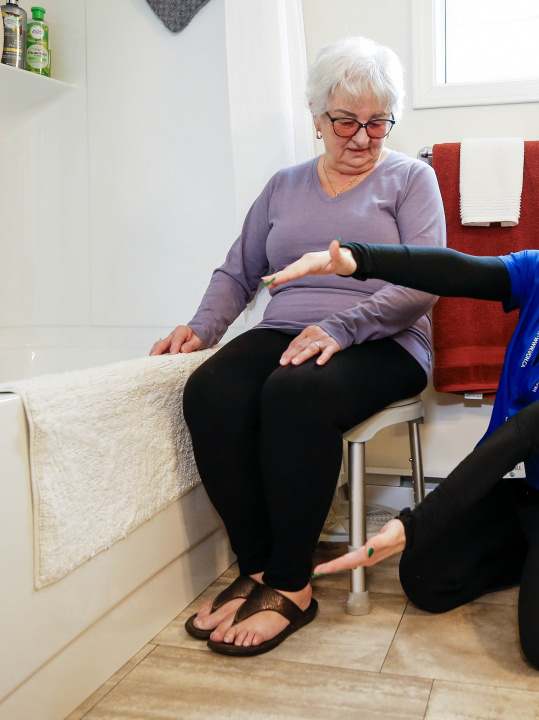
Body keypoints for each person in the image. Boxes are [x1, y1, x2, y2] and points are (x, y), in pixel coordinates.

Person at [268, 151, 539, 674]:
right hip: (524, 489)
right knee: (425, 581)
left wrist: (413, 522)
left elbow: (519, 437)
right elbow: (459, 270)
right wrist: (354, 259)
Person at [149, 36, 445, 656]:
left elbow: (424, 284)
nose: (362, 138)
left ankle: (293, 584)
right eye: (345, 122)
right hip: (286, 328)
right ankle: (256, 567)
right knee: (211, 390)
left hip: (386, 339)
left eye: (377, 123)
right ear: (316, 118)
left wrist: (341, 328)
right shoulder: (284, 186)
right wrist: (202, 327)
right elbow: (239, 270)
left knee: (295, 395)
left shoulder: (411, 178)